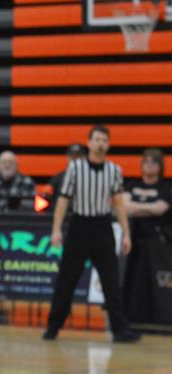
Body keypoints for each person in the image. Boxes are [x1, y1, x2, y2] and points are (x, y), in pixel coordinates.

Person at [44, 125, 140, 342]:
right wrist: (56, 229)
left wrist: (126, 233)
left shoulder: (114, 170)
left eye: (104, 140)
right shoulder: (75, 167)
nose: (100, 144)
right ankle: (53, 326)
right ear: (89, 143)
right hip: (79, 226)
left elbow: (118, 203)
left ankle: (120, 329)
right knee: (67, 279)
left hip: (102, 226)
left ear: (109, 145)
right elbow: (63, 199)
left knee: (111, 280)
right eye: (96, 139)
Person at [122, 148, 171, 322]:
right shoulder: (131, 184)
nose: (149, 165)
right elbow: (124, 207)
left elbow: (160, 209)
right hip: (133, 241)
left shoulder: (166, 187)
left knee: (159, 284)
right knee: (133, 282)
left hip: (158, 244)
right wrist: (147, 209)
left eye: (153, 162)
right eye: (146, 161)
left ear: (160, 166)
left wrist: (136, 208)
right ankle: (132, 317)